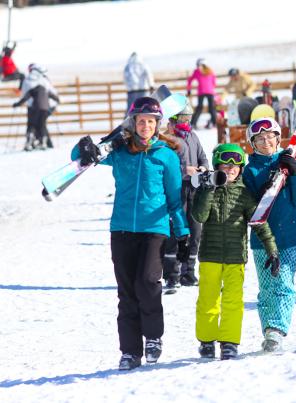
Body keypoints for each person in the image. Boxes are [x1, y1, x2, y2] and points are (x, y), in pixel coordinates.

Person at [73, 96, 189, 370]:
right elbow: (79, 160)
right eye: (141, 121)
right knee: (126, 292)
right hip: (122, 228)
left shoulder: (167, 156)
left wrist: (183, 233)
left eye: (151, 121)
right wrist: (85, 147)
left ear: (158, 124)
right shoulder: (120, 151)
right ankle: (129, 351)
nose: (146, 126)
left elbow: (175, 198)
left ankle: (153, 337)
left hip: (154, 229)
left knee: (148, 283)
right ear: (133, 123)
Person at [191, 144, 279, 360]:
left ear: (241, 168)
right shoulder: (206, 189)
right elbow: (199, 216)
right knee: (208, 300)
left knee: (233, 301)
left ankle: (229, 342)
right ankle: (207, 340)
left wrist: (272, 249)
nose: (230, 169)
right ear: (216, 166)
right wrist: (207, 189)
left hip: (235, 257)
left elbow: (259, 223)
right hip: (210, 256)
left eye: (235, 166)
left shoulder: (244, 194)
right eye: (225, 165)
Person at [242, 117, 296, 352]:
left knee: (283, 283)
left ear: (278, 138)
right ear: (253, 143)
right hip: (262, 238)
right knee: (267, 288)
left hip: (290, 234)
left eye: (270, 136)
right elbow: (247, 205)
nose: (265, 142)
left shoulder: (287, 162)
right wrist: (262, 192)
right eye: (259, 139)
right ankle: (268, 330)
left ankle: (277, 329)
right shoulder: (249, 170)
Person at [162, 101, 209, 292]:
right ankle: (172, 275)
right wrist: (184, 170)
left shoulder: (193, 136)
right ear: (172, 121)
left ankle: (188, 272)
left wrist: (203, 168)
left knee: (195, 231)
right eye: (182, 119)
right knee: (176, 232)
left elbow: (202, 156)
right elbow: (164, 165)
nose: (185, 122)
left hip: (194, 189)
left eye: (188, 118)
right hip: (176, 190)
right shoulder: (167, 140)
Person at [13, 64, 60, 150]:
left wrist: (18, 104)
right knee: (41, 124)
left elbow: (25, 95)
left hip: (33, 107)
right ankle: (44, 143)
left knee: (32, 125)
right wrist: (56, 102)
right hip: (46, 107)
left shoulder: (28, 80)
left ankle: (31, 142)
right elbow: (51, 93)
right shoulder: (44, 80)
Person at [186, 58, 217, 129]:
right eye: (197, 65)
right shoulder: (196, 71)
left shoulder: (210, 71)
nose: (198, 67)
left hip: (209, 92)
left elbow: (214, 81)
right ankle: (193, 123)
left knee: (211, 108)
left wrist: (211, 88)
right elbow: (190, 80)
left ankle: (215, 123)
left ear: (204, 65)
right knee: (199, 108)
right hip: (202, 92)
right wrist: (189, 89)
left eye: (199, 65)